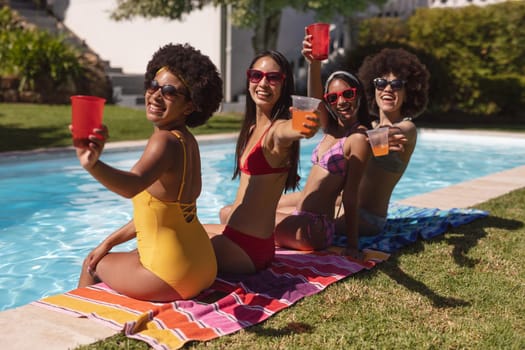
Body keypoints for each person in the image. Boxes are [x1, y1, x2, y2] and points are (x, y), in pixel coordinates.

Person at [74, 43, 223, 302]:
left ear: (190, 106)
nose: (155, 95)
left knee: (91, 263)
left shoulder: (163, 141)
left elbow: (132, 185)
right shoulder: (187, 140)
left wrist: (92, 164)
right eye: (153, 85)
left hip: (172, 276)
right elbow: (159, 214)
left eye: (169, 91)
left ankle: (72, 321)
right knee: (117, 253)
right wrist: (109, 243)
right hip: (203, 265)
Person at [205, 50, 320, 274]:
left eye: (273, 77)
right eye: (256, 75)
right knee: (181, 230)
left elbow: (300, 126)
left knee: (169, 244)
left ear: (284, 84)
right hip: (246, 241)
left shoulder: (277, 131)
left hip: (244, 248)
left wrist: (308, 121)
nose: (263, 83)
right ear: (249, 80)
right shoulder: (251, 129)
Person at [273, 32, 373, 259]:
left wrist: (353, 246)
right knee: (229, 213)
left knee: (238, 217)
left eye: (348, 94)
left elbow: (351, 194)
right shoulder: (331, 129)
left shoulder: (357, 139)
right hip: (302, 215)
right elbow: (315, 99)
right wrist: (313, 64)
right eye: (333, 97)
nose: (341, 102)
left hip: (314, 229)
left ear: (358, 96)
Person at [335, 47, 430, 236]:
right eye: (381, 83)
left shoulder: (406, 129)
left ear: (408, 92)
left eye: (396, 85)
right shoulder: (369, 126)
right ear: (373, 88)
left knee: (285, 218)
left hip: (366, 218)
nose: (387, 89)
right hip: (338, 203)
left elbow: (385, 136)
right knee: (275, 204)